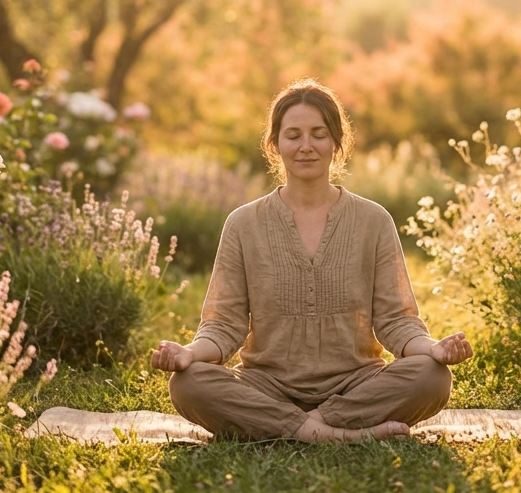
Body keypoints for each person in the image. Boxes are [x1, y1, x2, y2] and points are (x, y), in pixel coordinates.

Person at [150, 79, 473, 441]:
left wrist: (434, 349)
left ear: (338, 142)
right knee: (189, 383)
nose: (306, 146)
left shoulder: (373, 221)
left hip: (357, 384)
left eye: (319, 134)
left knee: (432, 376)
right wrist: (188, 354)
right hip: (265, 384)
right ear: (275, 145)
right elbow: (224, 325)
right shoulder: (243, 224)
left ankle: (293, 428)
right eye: (293, 135)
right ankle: (338, 433)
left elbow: (397, 320)